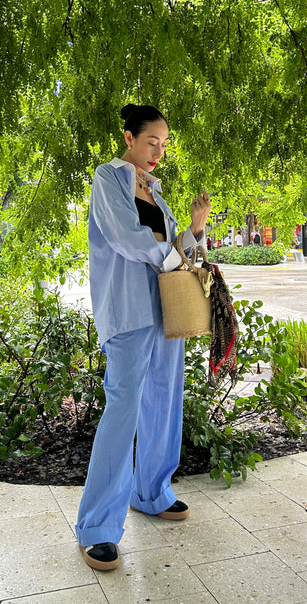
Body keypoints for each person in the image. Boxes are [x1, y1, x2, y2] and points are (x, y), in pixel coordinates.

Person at [75, 103, 211, 571]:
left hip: (167, 313)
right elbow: (125, 238)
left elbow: (173, 252)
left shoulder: (157, 193)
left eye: (164, 145)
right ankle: (96, 526)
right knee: (123, 410)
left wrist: (194, 230)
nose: (158, 152)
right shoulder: (107, 179)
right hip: (129, 314)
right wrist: (172, 256)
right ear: (129, 137)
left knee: (164, 402)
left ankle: (152, 492)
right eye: (151, 141)